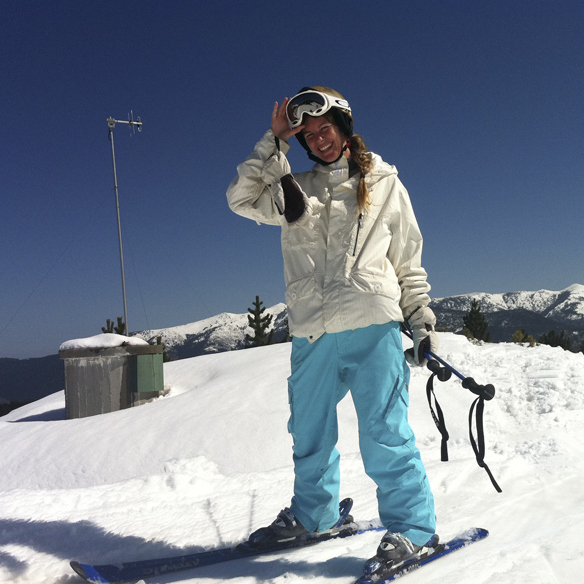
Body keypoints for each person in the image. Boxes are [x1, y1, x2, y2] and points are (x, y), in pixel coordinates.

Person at [226, 86, 440, 579]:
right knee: (309, 433)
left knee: (384, 432)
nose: (319, 139)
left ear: (343, 128)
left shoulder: (384, 183)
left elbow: (407, 262)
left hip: (372, 326)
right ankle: (315, 516)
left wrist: (420, 321)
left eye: (325, 128)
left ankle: (414, 528)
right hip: (313, 332)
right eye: (309, 134)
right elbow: (240, 199)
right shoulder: (293, 187)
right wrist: (274, 142)